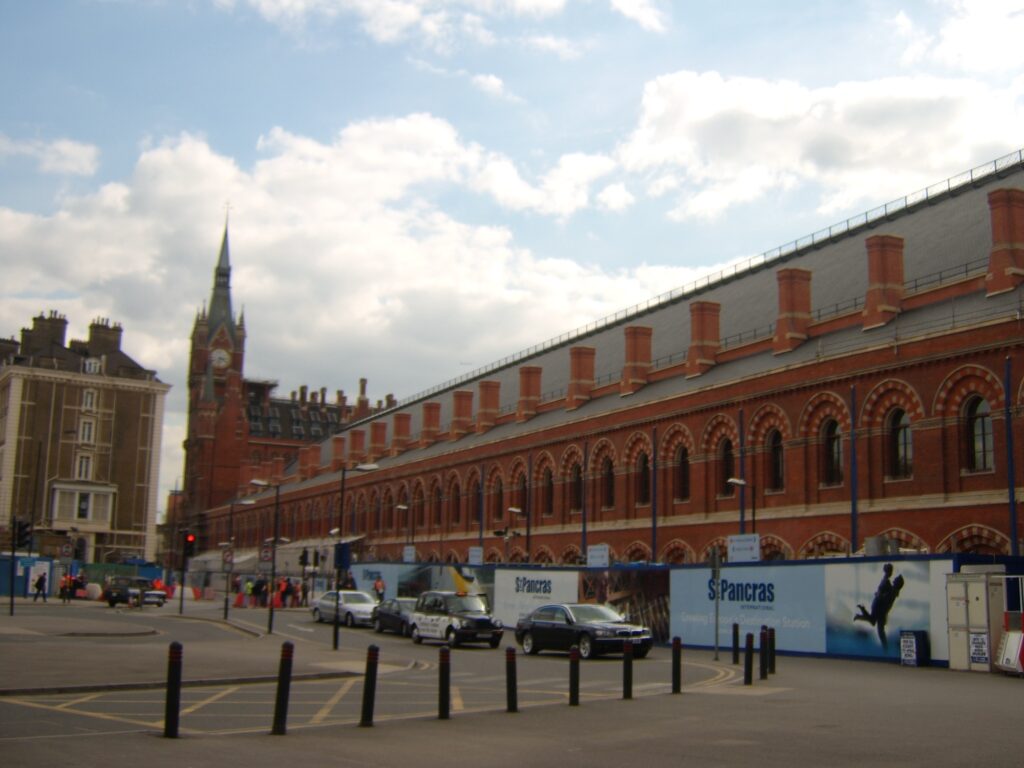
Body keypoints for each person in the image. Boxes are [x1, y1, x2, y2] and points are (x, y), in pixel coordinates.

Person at [854, 563, 905, 646]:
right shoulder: (888, 583)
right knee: (876, 625)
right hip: (879, 607)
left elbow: (885, 597)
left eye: (896, 580)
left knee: (876, 625)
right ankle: (861, 612)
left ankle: (861, 612)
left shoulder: (892, 589)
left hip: (881, 609)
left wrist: (879, 594)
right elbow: (883, 594)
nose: (894, 579)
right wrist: (879, 594)